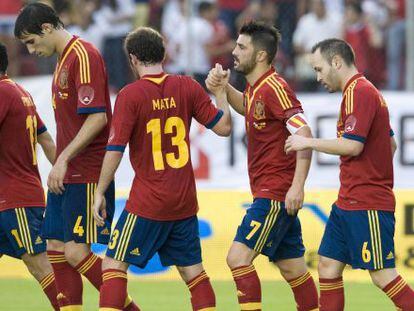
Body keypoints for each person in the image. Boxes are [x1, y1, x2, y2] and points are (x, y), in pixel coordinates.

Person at [92, 26, 231, 311]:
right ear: (164, 53)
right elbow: (225, 128)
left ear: (132, 58)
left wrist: (99, 192)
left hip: (149, 202)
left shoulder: (130, 96)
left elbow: (115, 150)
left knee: (113, 266)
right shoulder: (188, 86)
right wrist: (221, 94)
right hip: (183, 202)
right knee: (193, 274)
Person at [14, 3, 138, 310]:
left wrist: (64, 158)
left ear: (46, 28)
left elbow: (97, 118)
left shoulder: (84, 55)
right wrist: (61, 163)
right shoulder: (62, 62)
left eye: (31, 41)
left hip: (87, 170)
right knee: (55, 246)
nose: (31, 51)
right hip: (67, 171)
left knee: (76, 252)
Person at [285, 38, 414, 311]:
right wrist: (371, 169)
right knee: (328, 265)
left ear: (336, 62)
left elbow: (353, 146)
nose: (317, 77)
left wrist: (308, 142)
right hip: (348, 201)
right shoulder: (362, 92)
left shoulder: (359, 92)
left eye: (319, 69)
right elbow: (390, 144)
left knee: (382, 275)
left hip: (366, 203)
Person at [206, 21, 318, 311]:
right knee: (293, 270)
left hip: (276, 193)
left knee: (237, 258)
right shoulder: (257, 88)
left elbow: (304, 134)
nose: (234, 51)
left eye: (242, 47)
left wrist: (297, 187)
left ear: (260, 56)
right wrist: (223, 87)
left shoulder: (275, 88)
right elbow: (247, 106)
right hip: (271, 191)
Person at [0, 42, 58, 310]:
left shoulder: (2, 93)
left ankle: (69, 307)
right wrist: (62, 171)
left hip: (15, 199)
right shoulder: (21, 93)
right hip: (17, 195)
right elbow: (45, 137)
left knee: (40, 266)